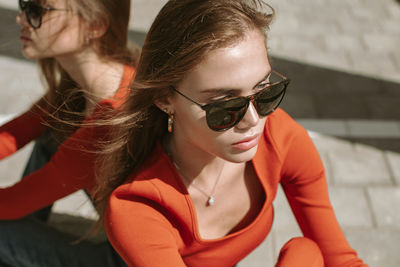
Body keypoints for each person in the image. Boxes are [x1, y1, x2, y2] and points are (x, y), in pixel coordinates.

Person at [98, 0, 369, 266]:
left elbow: (340, 259)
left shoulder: (280, 137)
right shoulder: (139, 208)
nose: (253, 120)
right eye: (225, 105)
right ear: (164, 98)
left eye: (264, 92)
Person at [0, 0, 137, 266]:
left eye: (38, 10)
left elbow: (12, 203)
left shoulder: (112, 117)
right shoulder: (100, 81)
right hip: (127, 241)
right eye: (24, 5)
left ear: (95, 26)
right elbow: (15, 133)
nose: (21, 19)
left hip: (133, 260)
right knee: (53, 134)